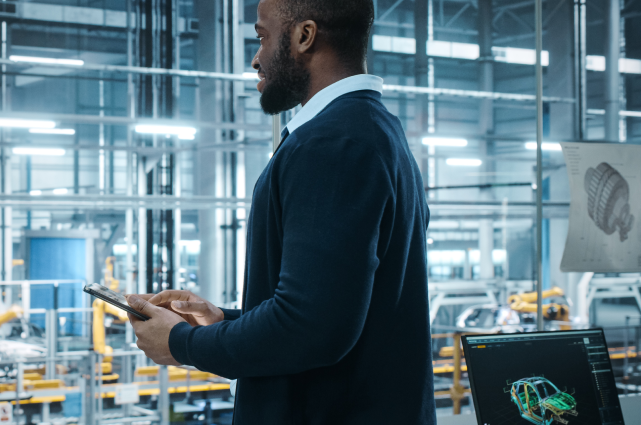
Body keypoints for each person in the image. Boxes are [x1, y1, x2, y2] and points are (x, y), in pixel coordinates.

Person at [122, 0, 433, 422]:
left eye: (262, 37)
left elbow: (310, 329)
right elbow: (336, 309)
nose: (256, 58)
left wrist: (181, 344)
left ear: (305, 36)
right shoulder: (374, 131)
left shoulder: (332, 144)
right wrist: (223, 321)